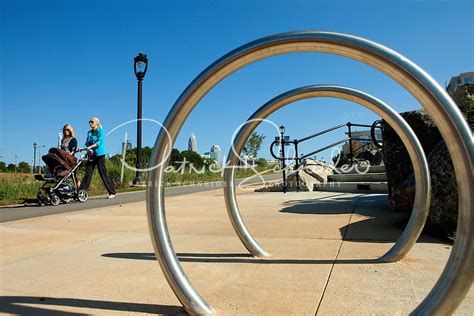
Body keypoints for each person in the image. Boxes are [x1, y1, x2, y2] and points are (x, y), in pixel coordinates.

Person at [79, 117, 116, 199]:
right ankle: (81, 192)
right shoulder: (89, 133)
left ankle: (112, 192)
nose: (90, 123)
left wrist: (91, 146)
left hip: (100, 154)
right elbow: (87, 143)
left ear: (97, 123)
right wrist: (82, 148)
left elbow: (100, 141)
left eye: (92, 122)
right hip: (91, 155)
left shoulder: (100, 131)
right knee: (87, 174)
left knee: (103, 173)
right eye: (89, 122)